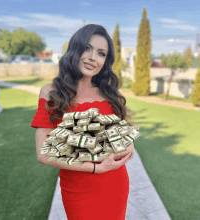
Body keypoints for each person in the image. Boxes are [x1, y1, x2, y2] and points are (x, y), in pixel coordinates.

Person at [31, 24, 135, 220]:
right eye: (87, 48)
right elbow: (44, 154)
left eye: (101, 53)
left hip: (115, 183)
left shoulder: (110, 95)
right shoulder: (51, 92)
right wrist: (96, 165)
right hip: (77, 188)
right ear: (75, 49)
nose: (92, 57)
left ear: (106, 61)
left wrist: (70, 143)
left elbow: (127, 146)